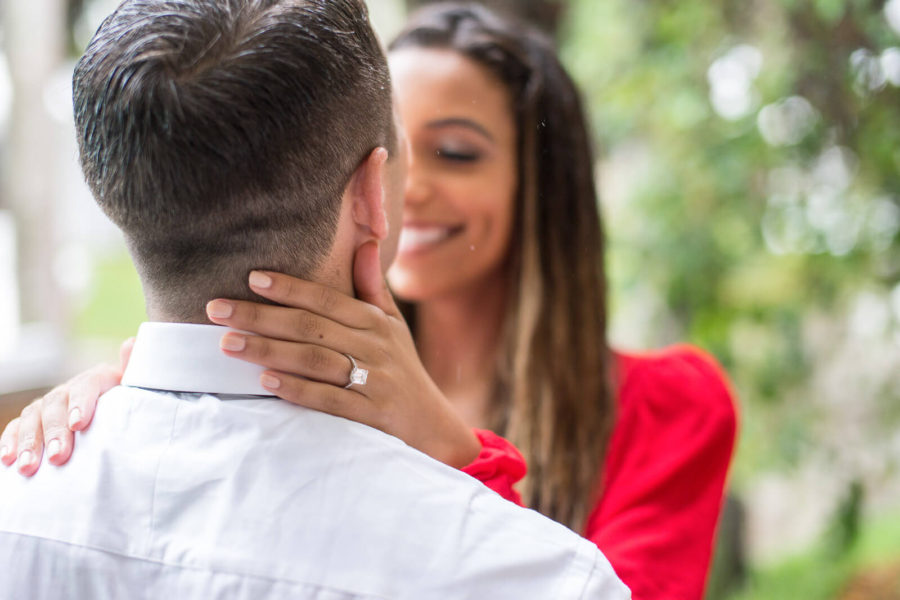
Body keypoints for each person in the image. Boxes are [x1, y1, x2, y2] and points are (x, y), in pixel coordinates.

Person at [3, 3, 737, 599]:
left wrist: (452, 449)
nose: (407, 187)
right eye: (395, 146)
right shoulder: (290, 381)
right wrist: (126, 402)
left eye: (455, 151)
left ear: (545, 185)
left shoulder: (669, 405)